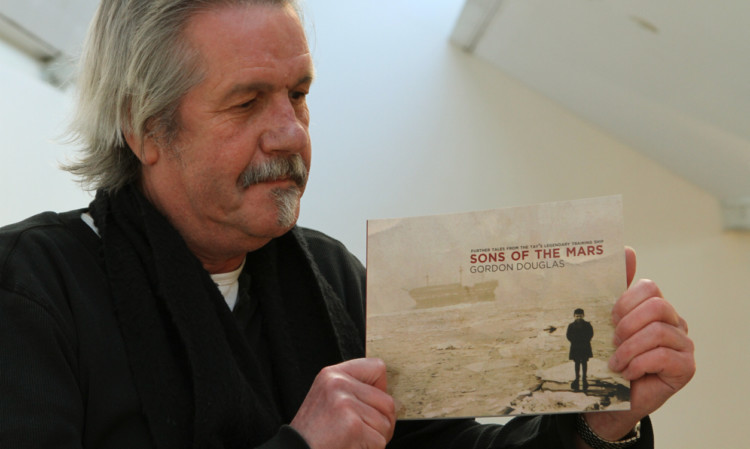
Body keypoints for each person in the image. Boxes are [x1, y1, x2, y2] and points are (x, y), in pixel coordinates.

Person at [0, 1, 695, 448]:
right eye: (246, 103)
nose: (288, 134)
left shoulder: (333, 277)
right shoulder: (33, 290)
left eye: (299, 95)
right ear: (145, 127)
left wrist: (599, 424)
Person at [567, 308, 594, 391]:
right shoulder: (571, 325)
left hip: (585, 346)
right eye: (577, 316)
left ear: (583, 315)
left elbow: (590, 334)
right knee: (577, 363)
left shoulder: (587, 325)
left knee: (585, 363)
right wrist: (574, 341)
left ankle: (584, 379)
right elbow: (568, 335)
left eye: (580, 316)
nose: (579, 317)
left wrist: (585, 341)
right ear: (574, 316)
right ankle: (577, 379)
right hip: (575, 347)